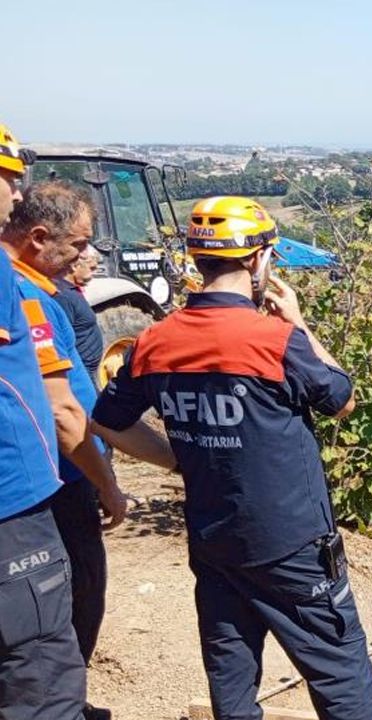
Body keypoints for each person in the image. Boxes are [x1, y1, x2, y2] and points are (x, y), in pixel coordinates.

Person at [92, 197, 372, 720]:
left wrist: (177, 459)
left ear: (198, 260)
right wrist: (300, 324)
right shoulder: (276, 340)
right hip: (293, 545)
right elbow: (343, 400)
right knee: (341, 675)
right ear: (257, 260)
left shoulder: (154, 341)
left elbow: (107, 420)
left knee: (232, 679)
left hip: (214, 540)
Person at [0, 181, 131, 718]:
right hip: (51, 486)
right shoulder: (27, 296)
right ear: (37, 237)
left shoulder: (41, 292)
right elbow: (65, 413)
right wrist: (106, 482)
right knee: (52, 631)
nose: (86, 256)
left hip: (51, 479)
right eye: (77, 245)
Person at [0, 122, 89, 720]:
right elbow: (62, 407)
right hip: (13, 507)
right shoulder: (17, 284)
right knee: (42, 671)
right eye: (7, 182)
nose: (12, 197)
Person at [53, 246, 104, 381]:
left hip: (87, 371)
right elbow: (62, 337)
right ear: (75, 265)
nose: (92, 275)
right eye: (91, 268)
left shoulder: (72, 291)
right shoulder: (63, 296)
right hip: (79, 372)